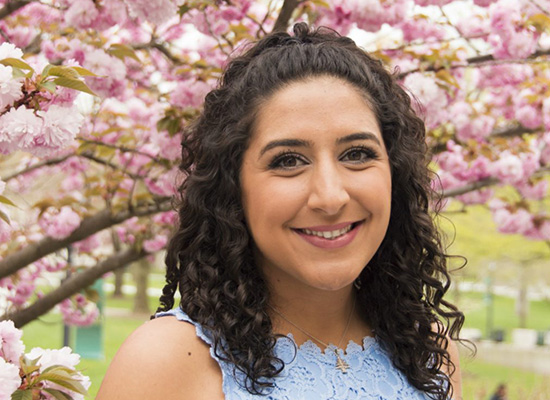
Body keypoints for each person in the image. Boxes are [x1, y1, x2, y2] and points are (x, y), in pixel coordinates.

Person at [97, 23, 464, 400]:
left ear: (394, 174)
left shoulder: (427, 353)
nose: (330, 196)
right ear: (233, 187)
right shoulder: (169, 362)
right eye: (288, 160)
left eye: (356, 154)